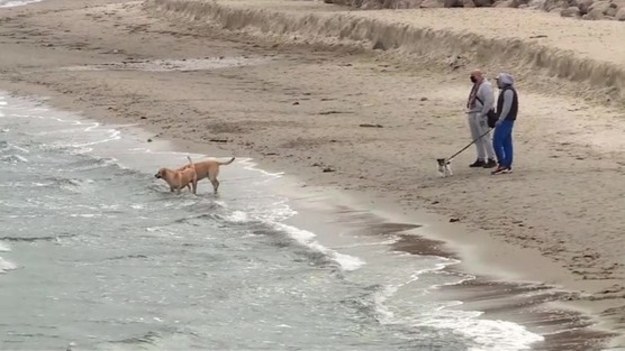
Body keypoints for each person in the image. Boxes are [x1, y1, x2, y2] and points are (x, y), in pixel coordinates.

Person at [466, 69, 497, 168]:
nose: (472, 78)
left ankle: (491, 158)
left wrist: (483, 114)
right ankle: (481, 158)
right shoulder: (476, 86)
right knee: (476, 138)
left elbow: (489, 101)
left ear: (479, 75)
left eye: (473, 75)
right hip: (473, 113)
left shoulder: (486, 86)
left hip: (480, 114)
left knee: (485, 137)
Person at [491, 73, 519, 175]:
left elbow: (506, 107)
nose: (497, 82)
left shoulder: (508, 91)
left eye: (498, 80)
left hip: (506, 120)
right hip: (508, 120)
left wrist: (500, 119)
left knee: (497, 142)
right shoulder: (508, 90)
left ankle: (502, 164)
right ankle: (507, 164)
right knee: (507, 143)